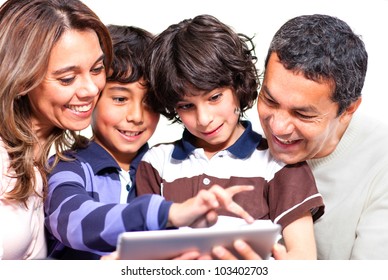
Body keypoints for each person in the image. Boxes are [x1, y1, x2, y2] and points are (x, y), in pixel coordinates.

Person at [44, 24, 254, 260]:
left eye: (150, 103)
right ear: (93, 95)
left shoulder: (165, 168)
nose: (136, 116)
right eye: (120, 98)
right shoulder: (67, 166)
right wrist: (167, 213)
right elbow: (74, 221)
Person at [136, 14, 324, 260]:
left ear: (238, 85)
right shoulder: (156, 163)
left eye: (214, 97)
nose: (204, 119)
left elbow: (303, 258)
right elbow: (143, 254)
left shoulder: (279, 162)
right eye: (186, 106)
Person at [215, 14, 388, 260]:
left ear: (348, 110)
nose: (278, 127)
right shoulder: (236, 143)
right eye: (269, 100)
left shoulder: (382, 165)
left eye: (303, 114)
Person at [0, 0, 113, 260]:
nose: (91, 89)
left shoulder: (47, 165)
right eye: (67, 78)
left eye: (97, 69)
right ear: (20, 80)